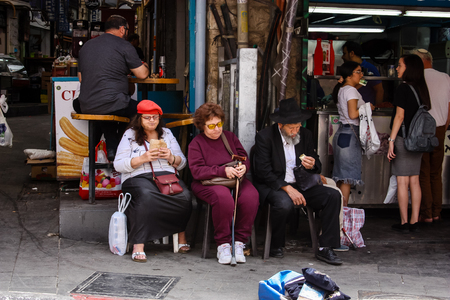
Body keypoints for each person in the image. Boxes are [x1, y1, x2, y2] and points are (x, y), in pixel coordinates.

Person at [253, 98, 343, 265]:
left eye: (298, 126)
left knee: (333, 196)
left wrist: (312, 164)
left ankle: (326, 247)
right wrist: (286, 188)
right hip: (275, 184)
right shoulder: (265, 137)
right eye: (291, 128)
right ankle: (276, 244)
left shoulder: (305, 135)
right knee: (283, 204)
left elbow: (317, 164)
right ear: (280, 125)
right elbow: (263, 171)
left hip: (301, 183)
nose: (295, 131)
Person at [114, 100, 192, 262]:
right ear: (139, 119)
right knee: (146, 196)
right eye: (147, 117)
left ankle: (181, 234)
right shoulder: (130, 135)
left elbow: (182, 163)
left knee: (184, 196)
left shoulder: (167, 134)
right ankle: (139, 244)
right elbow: (118, 165)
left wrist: (170, 157)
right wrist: (142, 158)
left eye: (155, 117)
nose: (151, 121)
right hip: (137, 177)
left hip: (166, 177)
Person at [188, 103, 259, 265]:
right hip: (207, 182)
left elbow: (243, 156)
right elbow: (197, 171)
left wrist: (243, 167)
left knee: (251, 196)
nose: (217, 129)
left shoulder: (229, 137)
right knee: (223, 198)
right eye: (211, 126)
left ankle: (239, 242)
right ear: (202, 126)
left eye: (219, 124)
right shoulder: (196, 144)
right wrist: (222, 171)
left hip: (234, 179)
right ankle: (223, 244)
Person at [74, 15, 149, 161]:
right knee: (138, 110)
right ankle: (117, 145)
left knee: (105, 107)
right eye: (126, 30)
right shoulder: (125, 45)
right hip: (113, 103)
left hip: (85, 104)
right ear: (122, 29)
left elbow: (81, 78)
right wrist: (144, 64)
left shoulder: (87, 46)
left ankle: (108, 146)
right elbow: (142, 74)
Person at [387, 54, 431, 232]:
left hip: (404, 139)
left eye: (400, 65)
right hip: (418, 141)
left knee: (402, 181)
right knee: (415, 181)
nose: (397, 68)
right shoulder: (422, 89)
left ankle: (404, 222)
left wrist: (391, 140)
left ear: (409, 68)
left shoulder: (403, 89)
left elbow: (400, 116)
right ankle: (415, 221)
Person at [411, 48, 450, 223]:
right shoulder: (446, 78)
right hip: (440, 128)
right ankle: (436, 211)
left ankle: (426, 214)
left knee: (423, 173)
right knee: (436, 172)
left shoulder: (417, 79)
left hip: (421, 130)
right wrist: (444, 126)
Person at [331, 61, 373, 206]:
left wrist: (361, 81)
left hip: (343, 134)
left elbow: (362, 83)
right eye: (358, 71)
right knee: (347, 178)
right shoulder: (351, 91)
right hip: (350, 134)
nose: (361, 74)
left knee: (342, 177)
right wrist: (368, 107)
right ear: (349, 75)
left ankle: (336, 213)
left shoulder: (343, 89)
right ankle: (342, 213)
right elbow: (353, 114)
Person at [342, 41, 384, 106]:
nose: (342, 57)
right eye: (358, 72)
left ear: (352, 53)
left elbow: (379, 90)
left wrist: (376, 109)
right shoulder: (347, 69)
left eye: (344, 54)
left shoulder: (370, 68)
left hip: (366, 110)